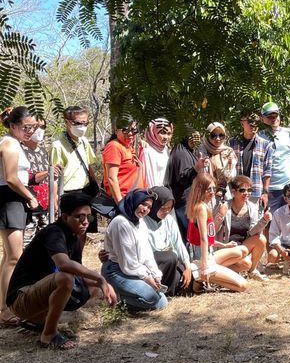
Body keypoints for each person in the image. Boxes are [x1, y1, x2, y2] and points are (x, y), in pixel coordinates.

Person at [5, 192, 117, 349]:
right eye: (80, 217)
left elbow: (79, 270)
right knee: (65, 278)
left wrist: (104, 285)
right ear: (65, 217)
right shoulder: (54, 232)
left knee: (92, 285)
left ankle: (40, 321)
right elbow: (64, 264)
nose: (86, 222)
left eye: (89, 217)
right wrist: (101, 279)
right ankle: (48, 334)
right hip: (21, 299)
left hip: (39, 296)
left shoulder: (75, 237)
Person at [0, 106, 40, 326]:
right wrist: (30, 197)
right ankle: (5, 310)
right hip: (10, 198)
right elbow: (12, 178)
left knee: (9, 255)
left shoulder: (15, 142)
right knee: (15, 256)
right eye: (26, 127)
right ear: (13, 126)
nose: (30, 131)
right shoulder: (10, 144)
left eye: (33, 127)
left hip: (13, 198)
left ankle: (4, 307)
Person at [102, 189, 168, 311]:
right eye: (142, 204)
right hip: (117, 270)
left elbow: (147, 252)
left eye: (149, 207)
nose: (145, 209)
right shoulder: (121, 223)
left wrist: (155, 274)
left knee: (162, 302)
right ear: (134, 201)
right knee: (152, 298)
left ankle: (126, 298)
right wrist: (147, 278)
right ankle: (115, 297)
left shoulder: (140, 222)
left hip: (135, 269)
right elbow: (128, 262)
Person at [185, 172, 248, 293]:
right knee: (243, 286)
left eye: (214, 188)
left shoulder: (204, 205)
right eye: (209, 189)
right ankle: (202, 276)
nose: (213, 192)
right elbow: (203, 239)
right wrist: (204, 267)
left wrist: (224, 245)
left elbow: (206, 238)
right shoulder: (201, 208)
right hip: (201, 259)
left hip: (208, 254)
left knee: (242, 252)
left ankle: (205, 276)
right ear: (200, 190)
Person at [50, 105, 99, 232]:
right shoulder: (57, 145)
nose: (82, 126)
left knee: (84, 230)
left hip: (85, 191)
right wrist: (55, 199)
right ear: (67, 122)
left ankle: (79, 253)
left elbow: (89, 165)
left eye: (85, 123)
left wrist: (96, 187)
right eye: (77, 123)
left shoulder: (84, 141)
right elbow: (54, 175)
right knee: (69, 231)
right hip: (67, 193)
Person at [217, 175, 271, 280]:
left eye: (249, 190)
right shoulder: (224, 206)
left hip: (243, 247)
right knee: (245, 264)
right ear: (233, 191)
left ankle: (252, 271)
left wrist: (264, 220)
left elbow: (252, 232)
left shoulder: (252, 207)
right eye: (242, 190)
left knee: (261, 239)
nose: (246, 193)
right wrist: (220, 216)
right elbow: (213, 230)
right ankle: (221, 269)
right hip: (226, 246)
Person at [143, 186, 192, 295]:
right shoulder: (142, 222)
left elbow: (179, 244)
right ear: (154, 206)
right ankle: (163, 291)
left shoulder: (169, 220)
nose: (166, 212)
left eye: (169, 208)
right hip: (152, 264)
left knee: (184, 275)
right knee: (170, 257)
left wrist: (187, 266)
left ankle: (169, 287)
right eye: (163, 208)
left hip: (170, 262)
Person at [258, 102, 290, 212]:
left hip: (288, 187)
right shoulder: (259, 136)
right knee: (268, 223)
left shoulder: (289, 133)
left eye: (276, 115)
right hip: (268, 189)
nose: (273, 119)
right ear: (262, 118)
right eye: (269, 116)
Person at [166, 129, 208, 240]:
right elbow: (182, 178)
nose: (197, 136)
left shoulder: (190, 151)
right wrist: (196, 168)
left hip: (190, 200)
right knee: (190, 236)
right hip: (184, 203)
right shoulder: (181, 152)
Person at [22, 118, 60, 237]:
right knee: (26, 246)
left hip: (46, 208)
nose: (40, 130)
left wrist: (54, 201)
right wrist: (48, 171)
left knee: (45, 244)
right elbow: (24, 178)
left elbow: (52, 179)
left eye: (43, 127)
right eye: (36, 126)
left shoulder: (44, 152)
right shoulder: (19, 150)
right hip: (28, 207)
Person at [228, 112, 272, 207]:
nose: (253, 125)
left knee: (255, 221)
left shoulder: (265, 145)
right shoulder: (232, 143)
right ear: (242, 123)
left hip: (255, 192)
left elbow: (267, 171)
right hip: (236, 191)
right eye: (250, 122)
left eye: (256, 122)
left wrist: (265, 192)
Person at [102, 115, 145, 204]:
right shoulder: (114, 146)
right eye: (125, 130)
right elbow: (111, 178)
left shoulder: (128, 146)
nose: (130, 134)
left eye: (133, 130)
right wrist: (120, 203)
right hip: (125, 200)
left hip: (134, 199)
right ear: (116, 130)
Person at [200, 122, 236, 189]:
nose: (217, 139)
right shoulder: (200, 151)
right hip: (205, 191)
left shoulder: (228, 151)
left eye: (221, 135)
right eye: (213, 135)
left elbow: (231, 177)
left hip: (224, 193)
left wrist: (229, 164)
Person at [140, 118, 173, 187]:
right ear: (153, 132)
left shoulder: (167, 150)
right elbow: (147, 180)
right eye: (162, 133)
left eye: (169, 133)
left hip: (167, 193)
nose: (166, 137)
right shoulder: (147, 151)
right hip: (155, 194)